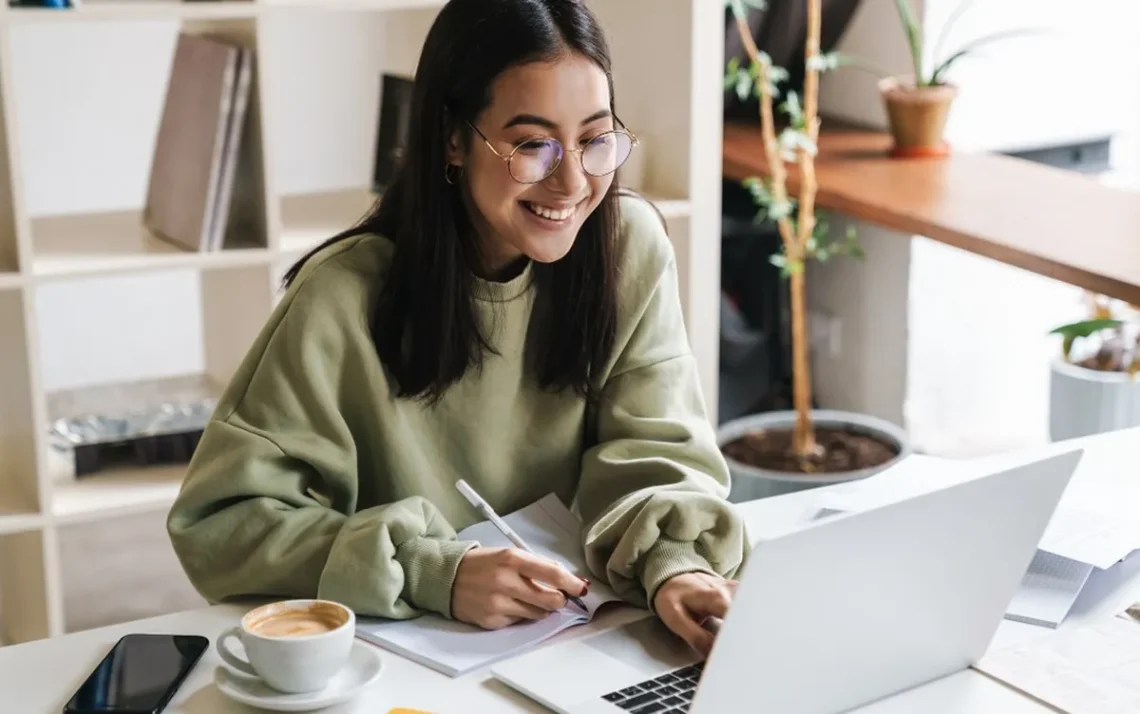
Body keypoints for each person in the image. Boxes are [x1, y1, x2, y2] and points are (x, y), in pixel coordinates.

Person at [166, 0, 748, 657]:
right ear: (452, 137)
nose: (572, 181)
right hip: (404, 664)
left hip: (583, 638)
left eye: (594, 138)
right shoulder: (341, 296)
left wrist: (678, 565)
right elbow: (221, 523)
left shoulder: (629, 248)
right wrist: (434, 571)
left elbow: (659, 453)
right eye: (533, 145)